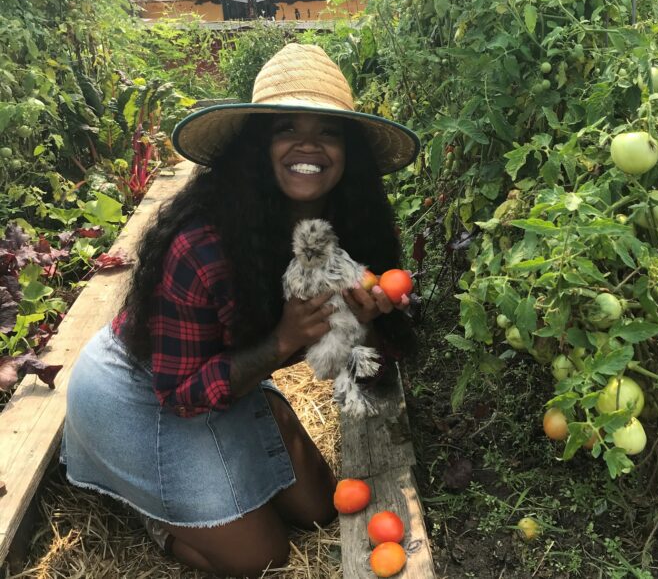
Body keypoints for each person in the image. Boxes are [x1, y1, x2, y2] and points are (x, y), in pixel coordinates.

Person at [60, 43, 420, 577]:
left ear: (349, 153)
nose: (308, 145)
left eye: (328, 131)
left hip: (223, 377)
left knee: (319, 509)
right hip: (139, 391)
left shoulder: (342, 231)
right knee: (260, 557)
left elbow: (365, 359)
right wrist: (282, 340)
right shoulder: (202, 244)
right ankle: (151, 510)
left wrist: (365, 321)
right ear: (257, 146)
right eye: (285, 128)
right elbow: (180, 393)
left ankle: (257, 412)